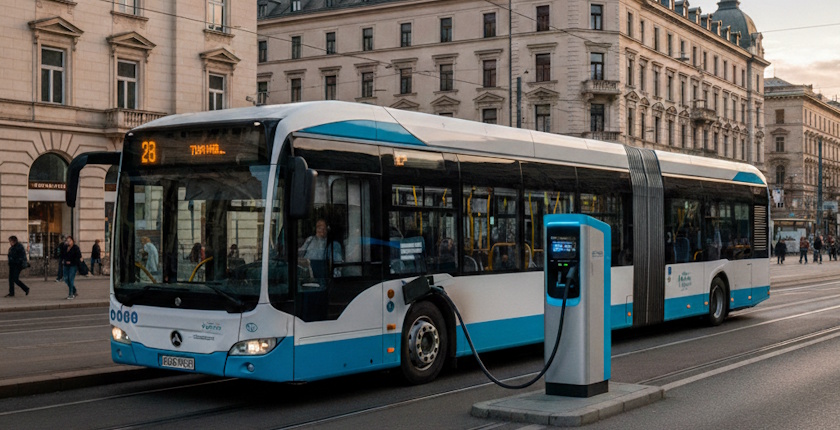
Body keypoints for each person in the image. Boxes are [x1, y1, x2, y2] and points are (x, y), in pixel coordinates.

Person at [298, 218, 343, 283]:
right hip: (308, 276)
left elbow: (337, 266)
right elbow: (301, 254)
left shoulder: (333, 244)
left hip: (324, 278)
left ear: (328, 229)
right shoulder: (310, 240)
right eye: (319, 227)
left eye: (323, 228)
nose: (321, 230)